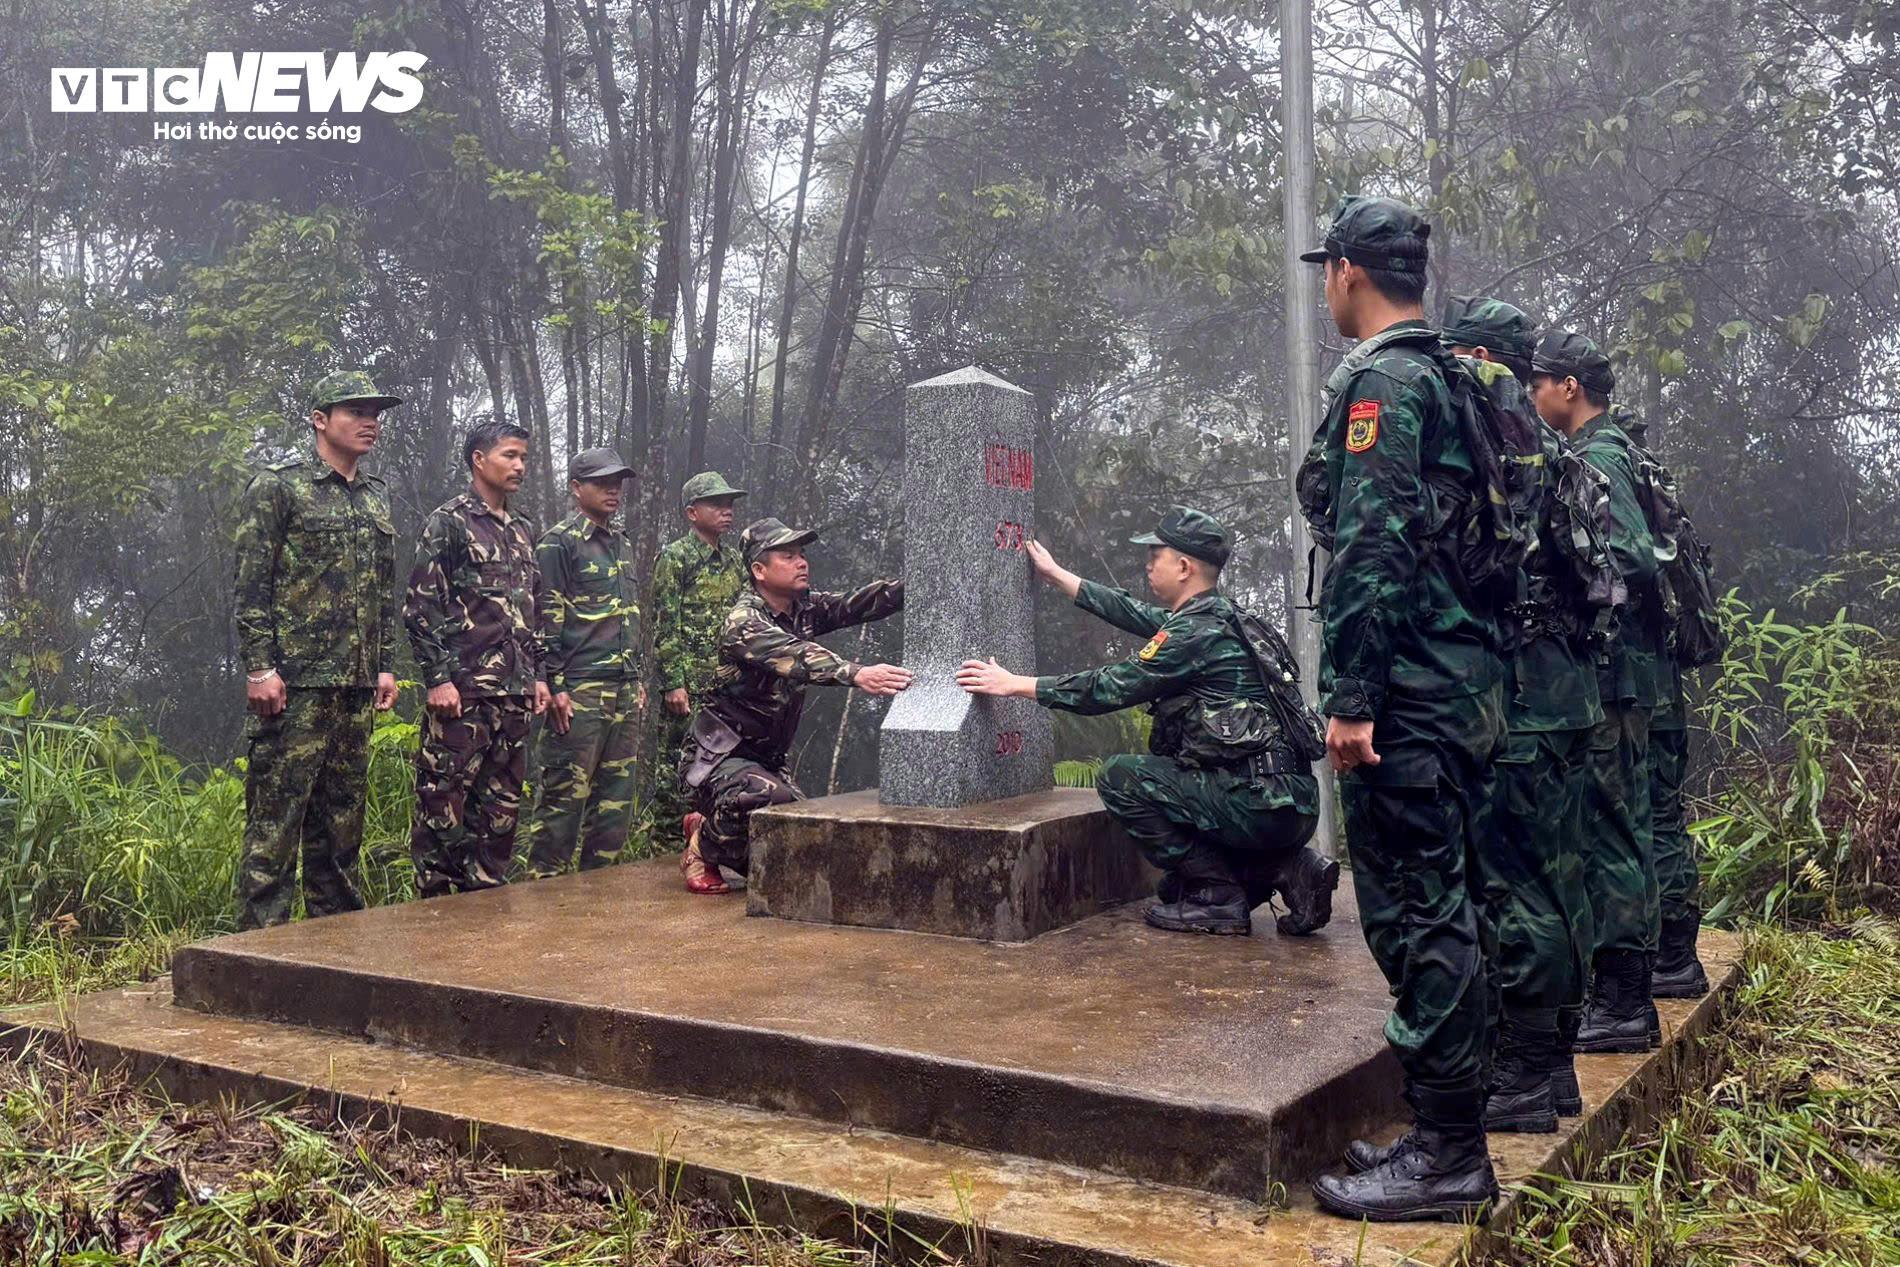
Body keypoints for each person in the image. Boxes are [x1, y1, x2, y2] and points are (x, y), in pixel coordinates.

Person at [1295, 197, 1505, 1221]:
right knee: (1447, 907)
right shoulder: (1452, 375)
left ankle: (1451, 1156)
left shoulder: (1385, 380)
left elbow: (1372, 549)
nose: (1323, 290)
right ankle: (1441, 1130)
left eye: (1324, 273)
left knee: (1420, 916)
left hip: (1409, 697)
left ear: (1346, 272)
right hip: (1459, 684)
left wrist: (1351, 697)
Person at [954, 507, 1335, 938]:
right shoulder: (1225, 618)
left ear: (1185, 566)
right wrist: (1058, 575)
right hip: (1288, 803)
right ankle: (1287, 867)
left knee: (1121, 777)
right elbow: (1131, 611)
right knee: (1174, 888)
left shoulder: (1193, 634)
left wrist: (1014, 684)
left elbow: (1110, 687)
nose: (1149, 564)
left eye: (1157, 555)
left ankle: (1218, 898)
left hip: (1256, 802)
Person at [1438, 298, 1606, 1135]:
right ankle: (1558, 1064)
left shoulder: (1500, 448)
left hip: (1527, 699)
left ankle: (1526, 1072)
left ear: (1478, 356)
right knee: (1561, 877)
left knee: (1517, 888)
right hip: (1570, 691)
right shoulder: (1563, 453)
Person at [1527, 332, 1665, 1052]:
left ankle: (1622, 997)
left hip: (1611, 677)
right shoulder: (1612, 449)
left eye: (1539, 381)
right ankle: (1625, 994)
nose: (1531, 393)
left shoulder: (1597, 455)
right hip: (1622, 674)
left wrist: (1582, 592)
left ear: (1570, 387)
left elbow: (1634, 555)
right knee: (1621, 828)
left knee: (1612, 833)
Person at [231, 370, 403, 929]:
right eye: (355, 411)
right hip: (295, 686)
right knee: (275, 822)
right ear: (319, 419)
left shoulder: (375, 498)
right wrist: (260, 667)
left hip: (353, 687)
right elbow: (251, 583)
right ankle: (262, 951)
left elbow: (381, 587)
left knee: (341, 826)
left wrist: (384, 666)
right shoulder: (279, 487)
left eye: (375, 412)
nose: (369, 421)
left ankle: (335, 947)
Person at [678, 518, 908, 886]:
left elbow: (859, 603)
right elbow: (796, 655)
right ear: (759, 570)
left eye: (802, 554)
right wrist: (856, 672)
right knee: (763, 799)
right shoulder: (743, 623)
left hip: (766, 762)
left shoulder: (804, 608)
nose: (802, 562)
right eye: (788, 556)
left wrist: (926, 580)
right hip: (717, 761)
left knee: (799, 843)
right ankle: (702, 845)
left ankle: (712, 824)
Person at [404, 418, 551, 898]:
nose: (520, 466)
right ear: (478, 459)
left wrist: (540, 677)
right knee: (442, 809)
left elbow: (534, 610)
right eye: (510, 455)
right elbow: (421, 606)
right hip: (463, 696)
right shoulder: (448, 522)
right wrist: (438, 679)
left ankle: (486, 926)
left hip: (514, 696)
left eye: (524, 457)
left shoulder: (525, 530)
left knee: (501, 816)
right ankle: (435, 920)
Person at [521, 448, 645, 877]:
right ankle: (543, 902)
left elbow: (627, 616)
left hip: (624, 689)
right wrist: (553, 684)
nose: (613, 489)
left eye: (618, 481)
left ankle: (598, 904)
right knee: (562, 805)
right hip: (579, 690)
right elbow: (544, 620)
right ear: (577, 488)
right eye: (602, 482)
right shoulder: (558, 544)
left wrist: (637, 676)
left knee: (613, 809)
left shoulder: (621, 543)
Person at [649, 471, 749, 890]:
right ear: (693, 513)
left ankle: (704, 848)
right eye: (716, 504)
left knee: (718, 772)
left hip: (725, 688)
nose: (726, 511)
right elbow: (664, 624)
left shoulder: (734, 561)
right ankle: (661, 856)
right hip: (688, 688)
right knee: (678, 771)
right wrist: (673, 682)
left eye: (729, 504)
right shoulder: (676, 558)